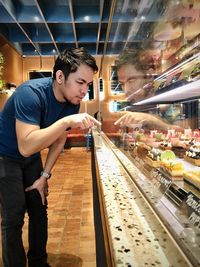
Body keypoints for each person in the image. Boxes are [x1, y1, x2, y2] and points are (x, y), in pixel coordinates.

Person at [0, 47, 101, 267]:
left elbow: (59, 140)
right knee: (13, 217)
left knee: (39, 206)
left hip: (31, 156)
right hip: (5, 156)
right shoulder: (30, 94)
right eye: (80, 82)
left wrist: (44, 176)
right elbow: (26, 146)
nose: (84, 91)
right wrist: (65, 122)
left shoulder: (72, 102)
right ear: (60, 76)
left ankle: (38, 262)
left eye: (88, 85)